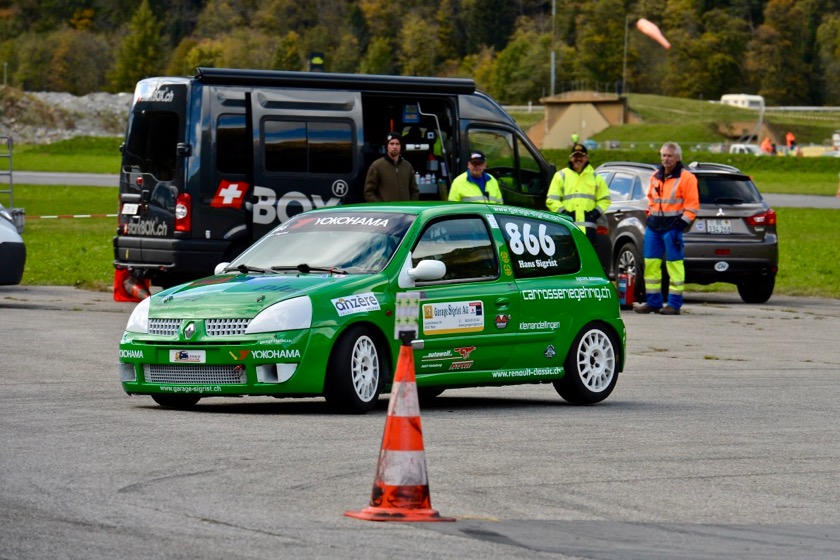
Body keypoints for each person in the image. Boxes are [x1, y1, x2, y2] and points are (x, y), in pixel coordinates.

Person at [634, 142, 700, 316]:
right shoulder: (656, 176)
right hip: (655, 226)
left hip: (673, 227)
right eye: (663, 155)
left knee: (674, 265)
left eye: (670, 155)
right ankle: (653, 302)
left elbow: (692, 206)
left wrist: (681, 224)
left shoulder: (687, 178)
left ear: (678, 157)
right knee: (651, 264)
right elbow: (650, 199)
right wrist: (650, 216)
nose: (666, 159)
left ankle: (674, 304)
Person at [545, 143, 610, 247]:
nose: (578, 159)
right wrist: (564, 213)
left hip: (589, 230)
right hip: (566, 227)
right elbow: (551, 200)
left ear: (586, 158)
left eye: (581, 156)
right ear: (570, 158)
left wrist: (595, 213)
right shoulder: (561, 176)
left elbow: (605, 199)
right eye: (575, 156)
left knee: (588, 259)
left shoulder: (595, 177)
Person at [363, 132, 419, 202]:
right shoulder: (377, 166)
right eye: (391, 144)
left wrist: (411, 205)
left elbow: (414, 191)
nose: (394, 146)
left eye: (397, 144)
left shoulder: (407, 166)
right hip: (387, 212)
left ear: (400, 146)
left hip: (405, 211)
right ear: (387, 146)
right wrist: (381, 207)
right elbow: (368, 192)